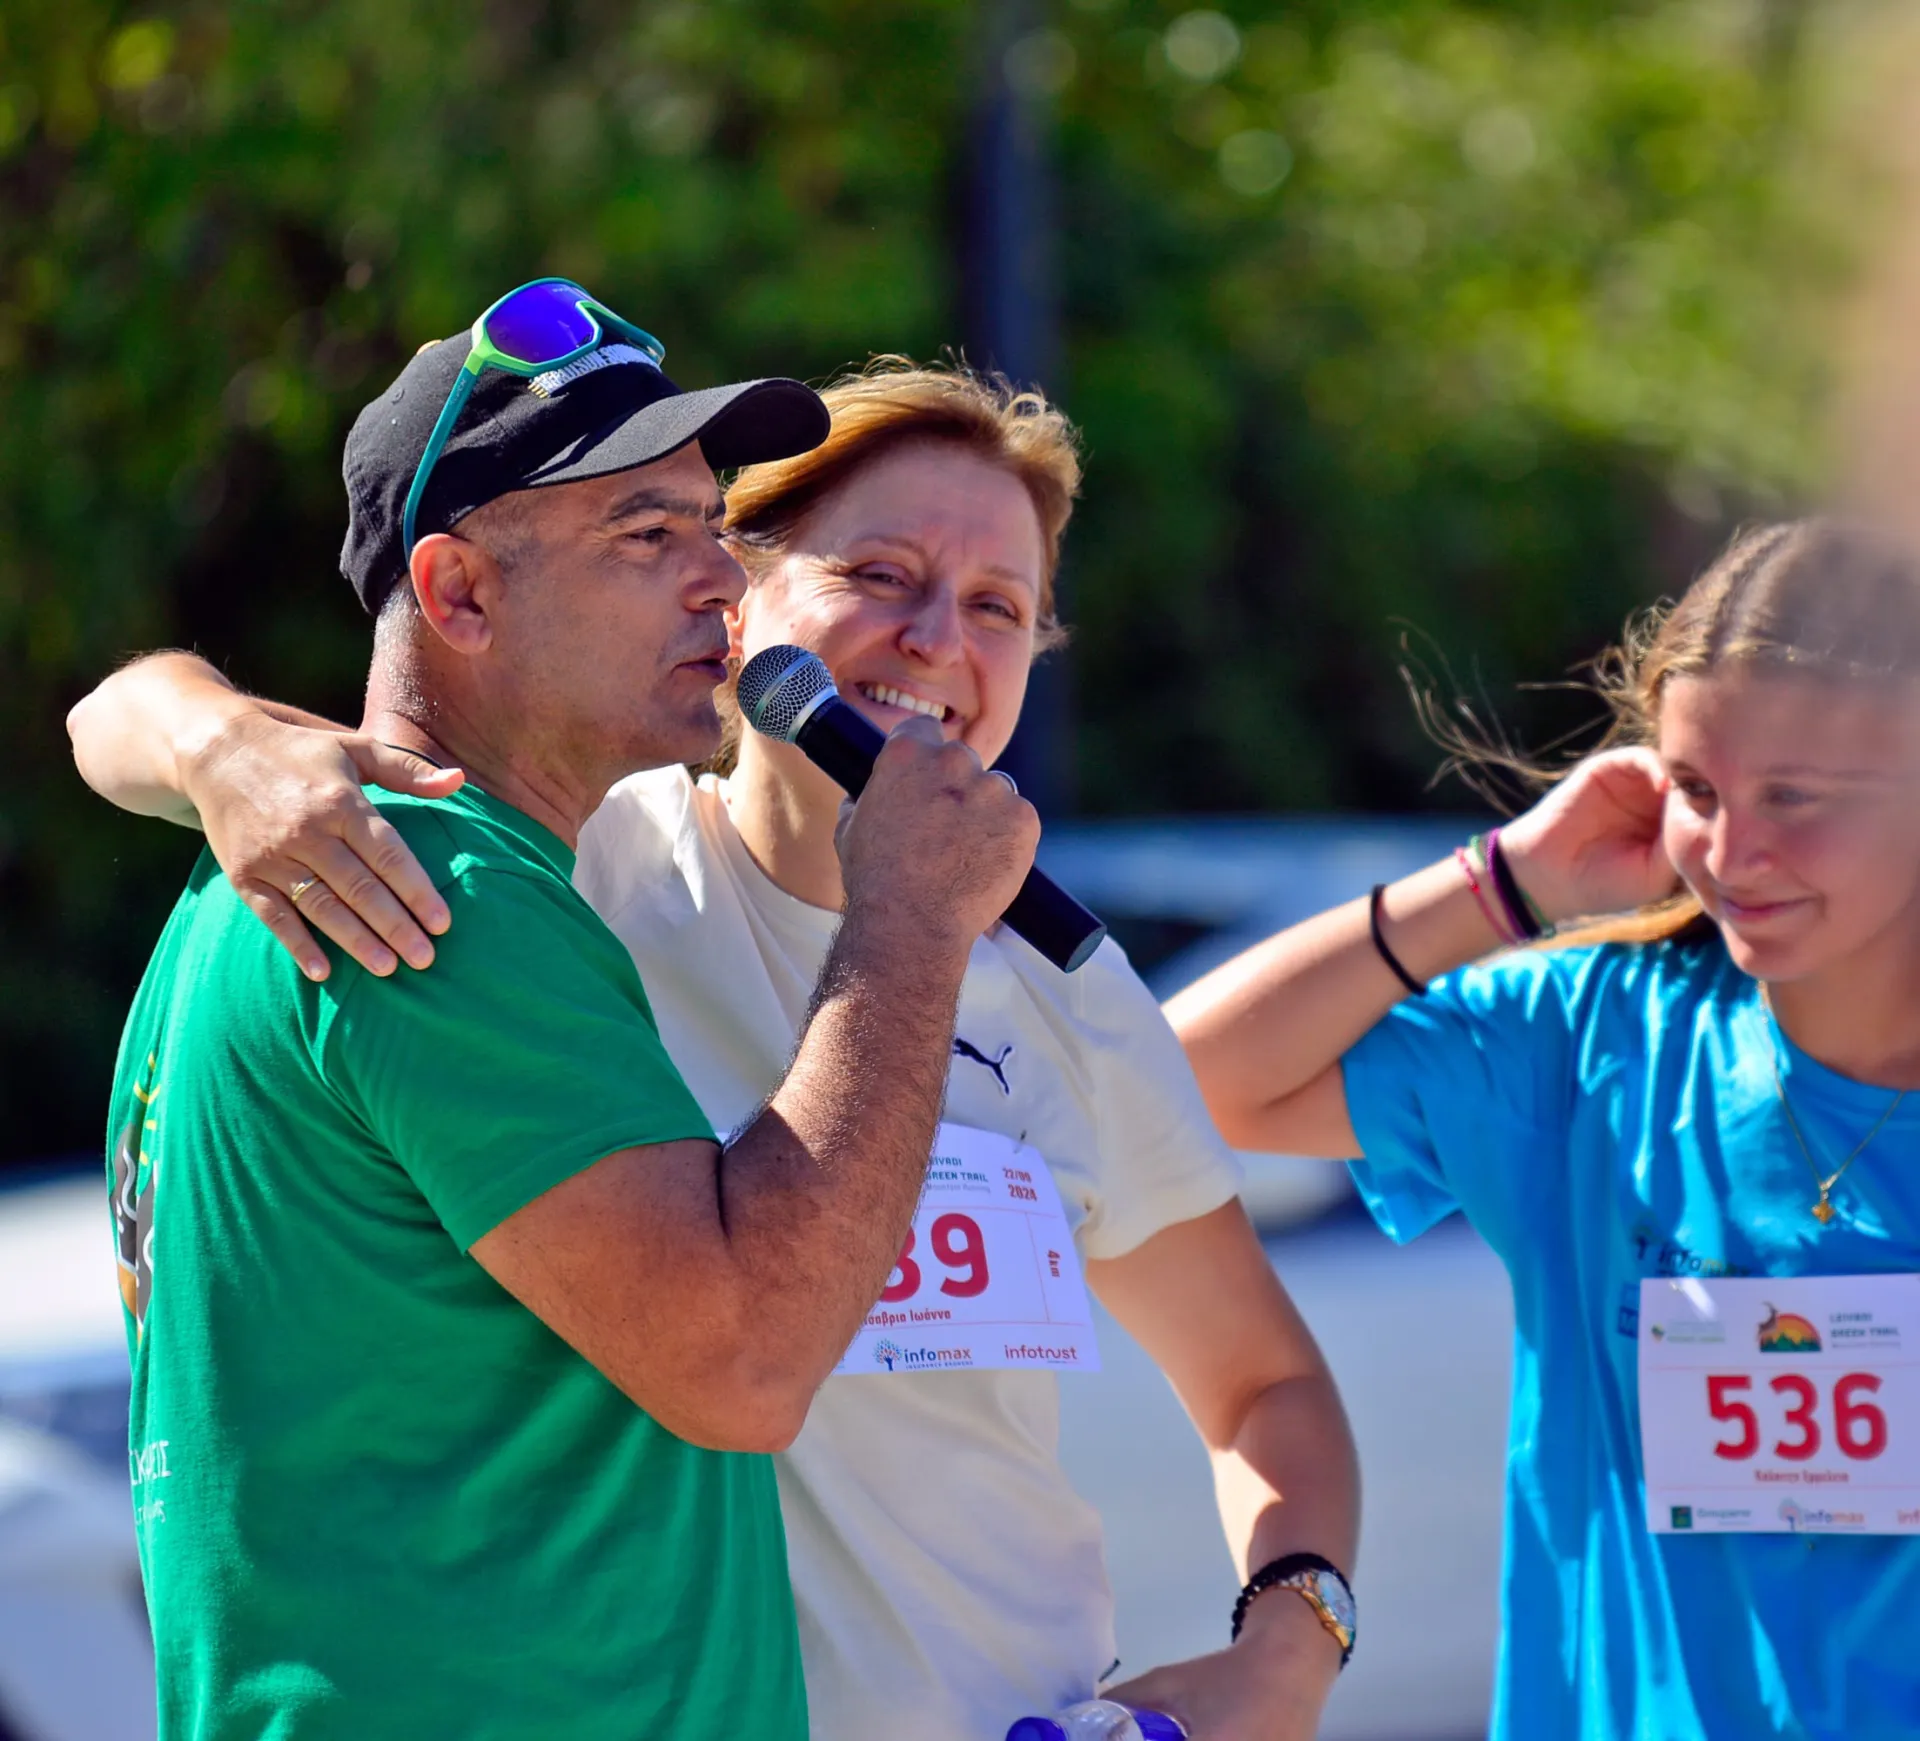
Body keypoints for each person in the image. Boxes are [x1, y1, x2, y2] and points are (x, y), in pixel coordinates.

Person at [71, 361, 1361, 1741]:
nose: (939, 638)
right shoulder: (540, 876)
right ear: (754, 607)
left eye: (1000, 607)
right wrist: (208, 734)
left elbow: (1265, 1381)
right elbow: (148, 727)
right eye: (880, 572)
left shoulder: (1062, 986)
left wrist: (1287, 1655)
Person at [1166, 518, 1920, 1740]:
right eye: (1697, 789)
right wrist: (1504, 884)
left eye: (1798, 795)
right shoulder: (1590, 1039)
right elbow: (1181, 1081)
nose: (1734, 851)